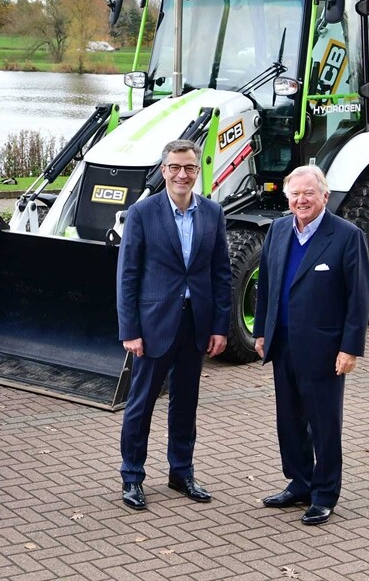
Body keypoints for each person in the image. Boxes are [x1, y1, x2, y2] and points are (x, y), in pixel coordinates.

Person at [117, 139, 232, 511]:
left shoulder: (213, 213)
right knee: (141, 404)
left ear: (198, 171)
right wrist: (129, 331)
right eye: (175, 167)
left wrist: (219, 326)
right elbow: (128, 275)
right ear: (164, 170)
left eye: (190, 168)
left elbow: (221, 274)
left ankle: (181, 472)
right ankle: (132, 476)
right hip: (153, 327)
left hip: (196, 325)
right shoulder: (142, 213)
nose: (183, 174)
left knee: (186, 404)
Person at [253, 164, 369, 526]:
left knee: (323, 424)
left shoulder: (347, 236)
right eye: (295, 194)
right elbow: (267, 284)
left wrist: (350, 348)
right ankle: (300, 482)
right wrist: (261, 332)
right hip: (282, 342)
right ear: (287, 197)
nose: (301, 200)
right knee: (288, 420)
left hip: (324, 348)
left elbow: (359, 297)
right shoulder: (277, 230)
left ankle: (324, 494)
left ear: (325, 196)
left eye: (308, 193)